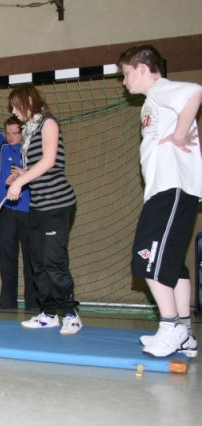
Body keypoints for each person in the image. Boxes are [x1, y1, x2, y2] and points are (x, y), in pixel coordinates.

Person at [118, 45, 201, 357]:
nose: (124, 81)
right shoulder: (152, 102)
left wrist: (179, 135)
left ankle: (170, 327)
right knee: (172, 266)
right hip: (166, 190)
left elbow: (195, 92)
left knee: (146, 258)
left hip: (171, 189)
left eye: (126, 74)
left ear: (142, 68)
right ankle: (184, 332)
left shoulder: (161, 90)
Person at [5, 85, 81, 335]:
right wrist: (21, 174)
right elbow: (38, 168)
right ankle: (48, 314)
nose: (14, 112)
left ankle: (70, 314)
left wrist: (20, 183)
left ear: (29, 100)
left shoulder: (48, 123)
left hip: (57, 204)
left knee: (53, 261)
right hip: (38, 206)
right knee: (37, 261)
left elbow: (49, 161)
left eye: (15, 105)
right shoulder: (29, 131)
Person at [0, 87, 37, 311]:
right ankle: (7, 300)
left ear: (23, 132)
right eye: (8, 132)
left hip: (29, 210)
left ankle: (34, 302)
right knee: (6, 257)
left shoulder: (31, 148)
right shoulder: (1, 147)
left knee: (32, 258)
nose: (11, 136)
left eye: (15, 132)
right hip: (5, 211)